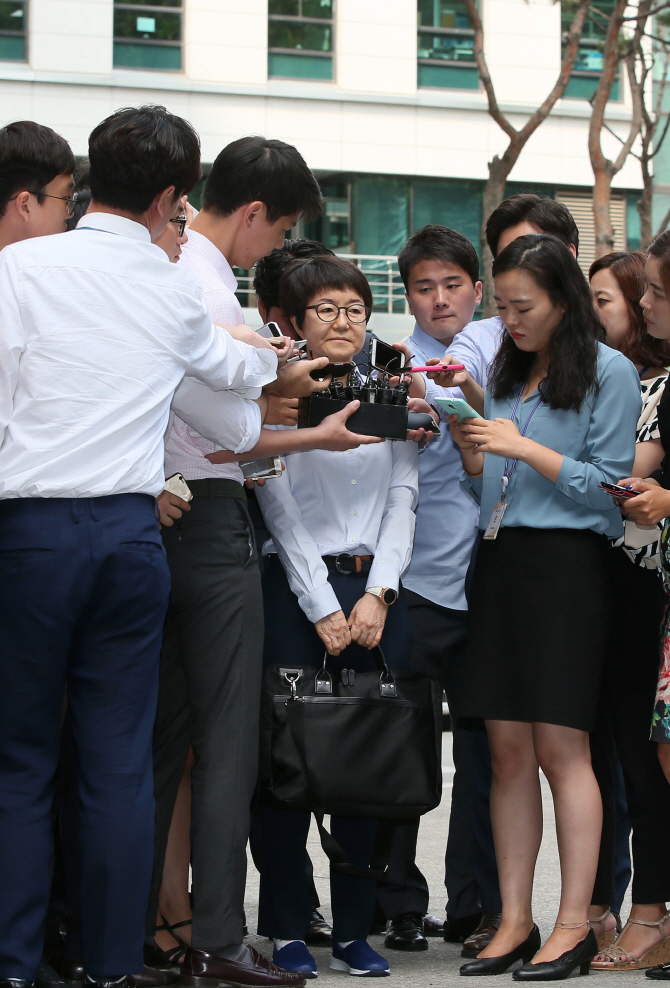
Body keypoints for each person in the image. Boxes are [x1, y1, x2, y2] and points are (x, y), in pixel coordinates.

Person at [0, 104, 280, 988]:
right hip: (129, 534)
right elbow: (236, 378)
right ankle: (115, 966)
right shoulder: (168, 287)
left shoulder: (20, 267)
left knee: (21, 760)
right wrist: (267, 350)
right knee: (120, 763)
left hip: (31, 535)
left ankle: (15, 963)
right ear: (172, 197)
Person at [146, 138, 378, 988]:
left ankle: (164, 925)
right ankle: (214, 937)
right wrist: (299, 413)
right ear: (253, 214)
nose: (271, 248)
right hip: (206, 515)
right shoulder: (199, 279)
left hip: (162, 511)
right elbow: (232, 431)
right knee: (228, 740)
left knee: (168, 741)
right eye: (277, 229)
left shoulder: (170, 266)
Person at [450, 234, 640, 980]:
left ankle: (575, 922)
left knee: (565, 752)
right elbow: (488, 482)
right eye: (502, 306)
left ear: (563, 299)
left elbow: (612, 487)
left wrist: (525, 450)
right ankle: (514, 918)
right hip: (498, 560)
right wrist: (476, 448)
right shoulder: (507, 368)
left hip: (568, 568)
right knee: (505, 754)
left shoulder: (610, 371)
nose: (510, 320)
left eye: (522, 306)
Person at [255, 255, 418, 979]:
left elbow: (404, 498)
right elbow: (273, 497)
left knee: (367, 764)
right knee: (284, 764)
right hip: (297, 597)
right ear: (294, 320)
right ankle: (289, 925)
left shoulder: (390, 387)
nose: (344, 320)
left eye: (354, 307)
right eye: (326, 308)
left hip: (374, 600)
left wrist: (379, 592)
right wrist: (321, 603)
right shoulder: (279, 394)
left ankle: (355, 927)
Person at [375, 225, 502, 956]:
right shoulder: (392, 365)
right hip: (413, 585)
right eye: (423, 287)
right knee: (403, 753)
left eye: (452, 284)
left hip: (484, 584)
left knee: (487, 759)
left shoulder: (497, 349)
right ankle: (397, 902)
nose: (439, 298)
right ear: (408, 294)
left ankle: (474, 906)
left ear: (476, 291)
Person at [582, 250, 670, 972]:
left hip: (651, 591)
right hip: (624, 585)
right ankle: (636, 909)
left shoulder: (657, 387)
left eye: (637, 295)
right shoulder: (616, 379)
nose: (637, 307)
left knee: (651, 761)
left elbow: (626, 476)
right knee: (636, 758)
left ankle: (648, 913)